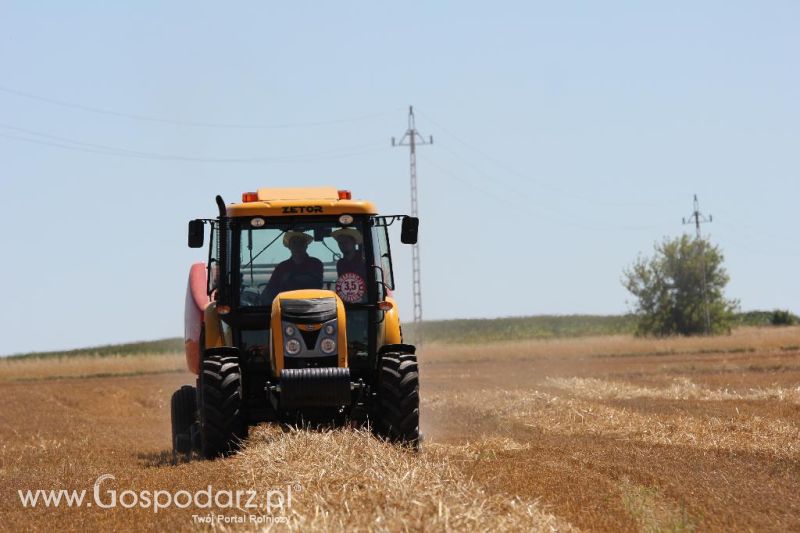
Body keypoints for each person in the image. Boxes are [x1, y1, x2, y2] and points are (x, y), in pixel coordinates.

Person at [260, 231, 323, 305]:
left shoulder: (315, 263)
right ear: (289, 246)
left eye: (301, 243)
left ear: (306, 245)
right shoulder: (281, 267)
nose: (297, 246)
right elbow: (270, 289)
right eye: (294, 243)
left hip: (311, 305)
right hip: (285, 306)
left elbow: (317, 285)